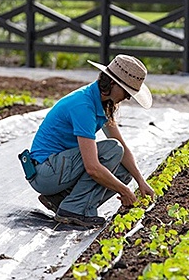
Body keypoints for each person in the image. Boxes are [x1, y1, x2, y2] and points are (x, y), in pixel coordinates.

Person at [20, 54, 155, 227]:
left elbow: (123, 149)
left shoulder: (102, 102)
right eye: (127, 92)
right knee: (112, 150)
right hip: (44, 171)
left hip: (58, 170)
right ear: (113, 83)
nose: (128, 98)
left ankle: (62, 200)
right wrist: (125, 190)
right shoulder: (83, 105)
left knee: (124, 169)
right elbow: (92, 167)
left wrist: (140, 181)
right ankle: (74, 210)